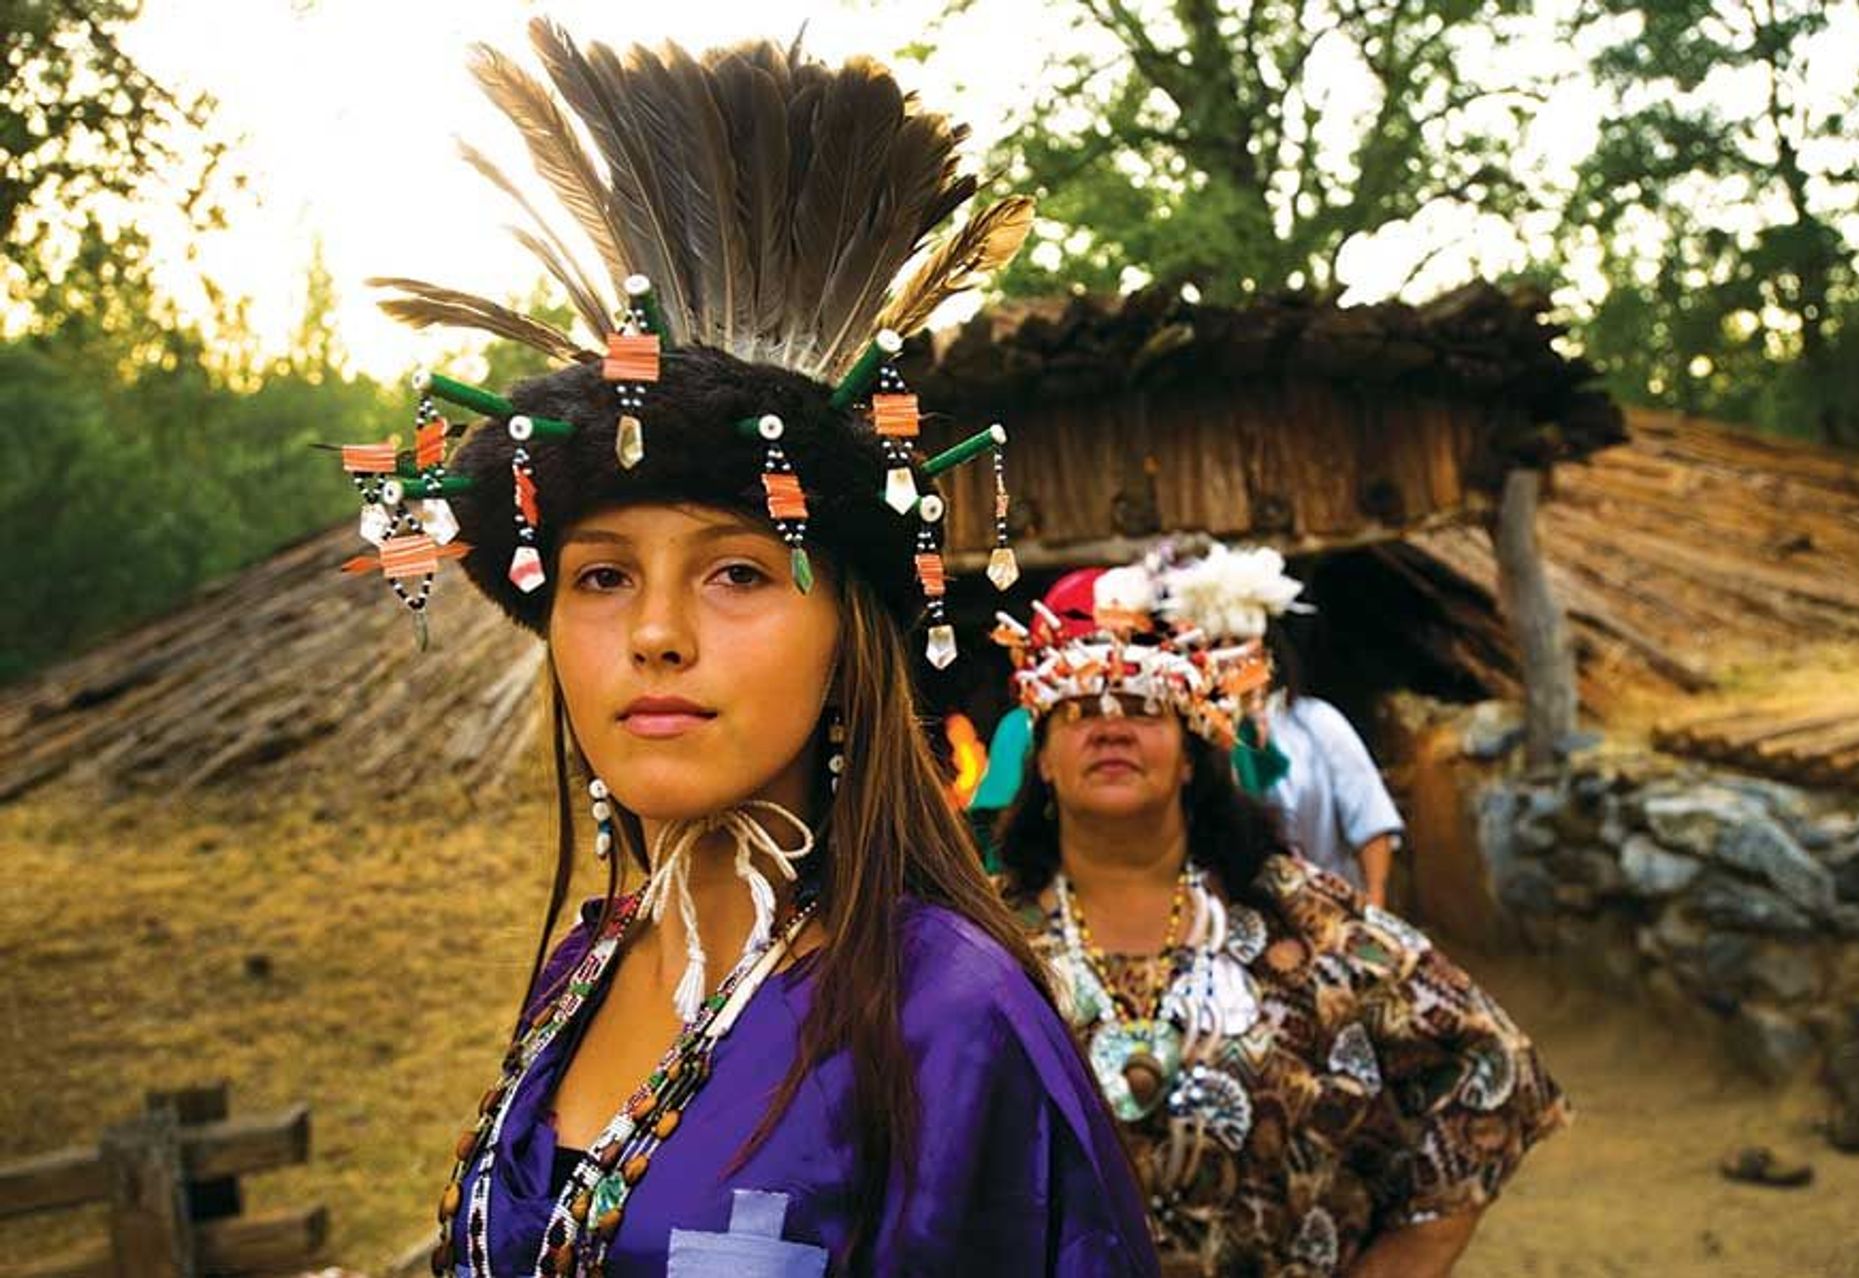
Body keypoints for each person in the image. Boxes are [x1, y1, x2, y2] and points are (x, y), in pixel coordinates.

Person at [331, 23, 1155, 1276]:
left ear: (850, 643)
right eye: (604, 578)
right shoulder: (587, 963)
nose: (657, 636)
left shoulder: (951, 1021)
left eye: (736, 573)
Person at [993, 545, 1567, 1277]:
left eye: (1143, 707)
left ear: (1194, 752)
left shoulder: (1306, 920)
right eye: (1079, 712)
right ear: (1040, 757)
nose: (1111, 727)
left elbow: (1494, 1072)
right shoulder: (986, 941)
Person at [1262, 638, 1405, 907]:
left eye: (1239, 642)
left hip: (1332, 906)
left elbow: (1370, 817)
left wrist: (1374, 906)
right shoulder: (1202, 740)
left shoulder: (1317, 721)